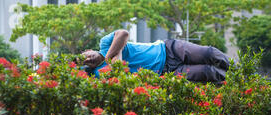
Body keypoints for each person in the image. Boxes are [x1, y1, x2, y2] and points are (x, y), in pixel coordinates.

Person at [82, 29, 229, 83]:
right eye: (85, 62)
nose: (88, 59)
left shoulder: (105, 43)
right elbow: (119, 78)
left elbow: (123, 34)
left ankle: (236, 70)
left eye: (86, 55)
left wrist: (110, 57)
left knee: (209, 54)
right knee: (207, 72)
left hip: (168, 49)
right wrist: (117, 56)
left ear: (89, 49)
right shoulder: (98, 74)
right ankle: (235, 80)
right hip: (167, 74)